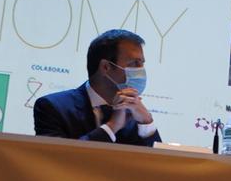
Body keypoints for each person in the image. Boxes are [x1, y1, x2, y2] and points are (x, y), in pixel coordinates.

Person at [33, 29, 161, 146]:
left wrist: (146, 122)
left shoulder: (134, 113)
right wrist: (112, 126)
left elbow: (157, 166)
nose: (140, 70)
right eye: (134, 63)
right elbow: (56, 160)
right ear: (106, 67)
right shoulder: (52, 107)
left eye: (142, 63)